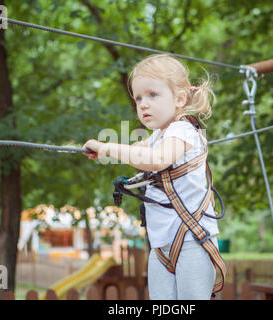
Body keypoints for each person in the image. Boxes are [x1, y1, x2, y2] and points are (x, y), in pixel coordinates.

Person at [82, 54, 225, 300]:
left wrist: (107, 148)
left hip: (192, 241)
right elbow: (139, 152)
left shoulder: (184, 129)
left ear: (180, 99)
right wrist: (106, 151)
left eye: (152, 95)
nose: (143, 105)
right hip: (162, 247)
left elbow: (157, 159)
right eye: (138, 98)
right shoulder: (159, 135)